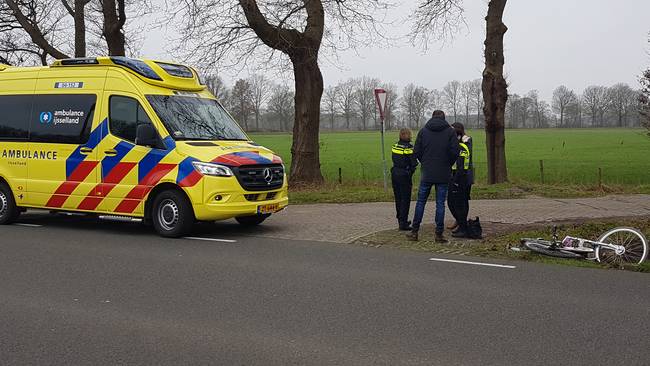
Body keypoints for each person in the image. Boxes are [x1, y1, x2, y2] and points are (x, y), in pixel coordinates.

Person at [406, 110, 460, 243]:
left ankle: (414, 231)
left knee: (420, 202)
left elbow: (416, 151)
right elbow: (455, 151)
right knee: (440, 204)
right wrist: (448, 163)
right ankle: (438, 234)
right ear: (444, 118)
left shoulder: (424, 131)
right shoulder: (450, 132)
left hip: (427, 172)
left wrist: (425, 162)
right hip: (443, 173)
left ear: (432, 117)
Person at [448, 122, 474, 233]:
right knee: (451, 201)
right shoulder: (455, 140)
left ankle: (462, 224)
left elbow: (463, 156)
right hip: (454, 174)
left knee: (462, 201)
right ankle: (459, 220)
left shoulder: (466, 140)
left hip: (463, 175)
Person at [391, 128, 418, 231]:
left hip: (395, 173)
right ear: (409, 135)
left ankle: (400, 220)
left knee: (398, 198)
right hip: (404, 175)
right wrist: (410, 171)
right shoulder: (409, 148)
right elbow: (414, 163)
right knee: (405, 199)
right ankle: (404, 222)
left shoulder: (395, 146)